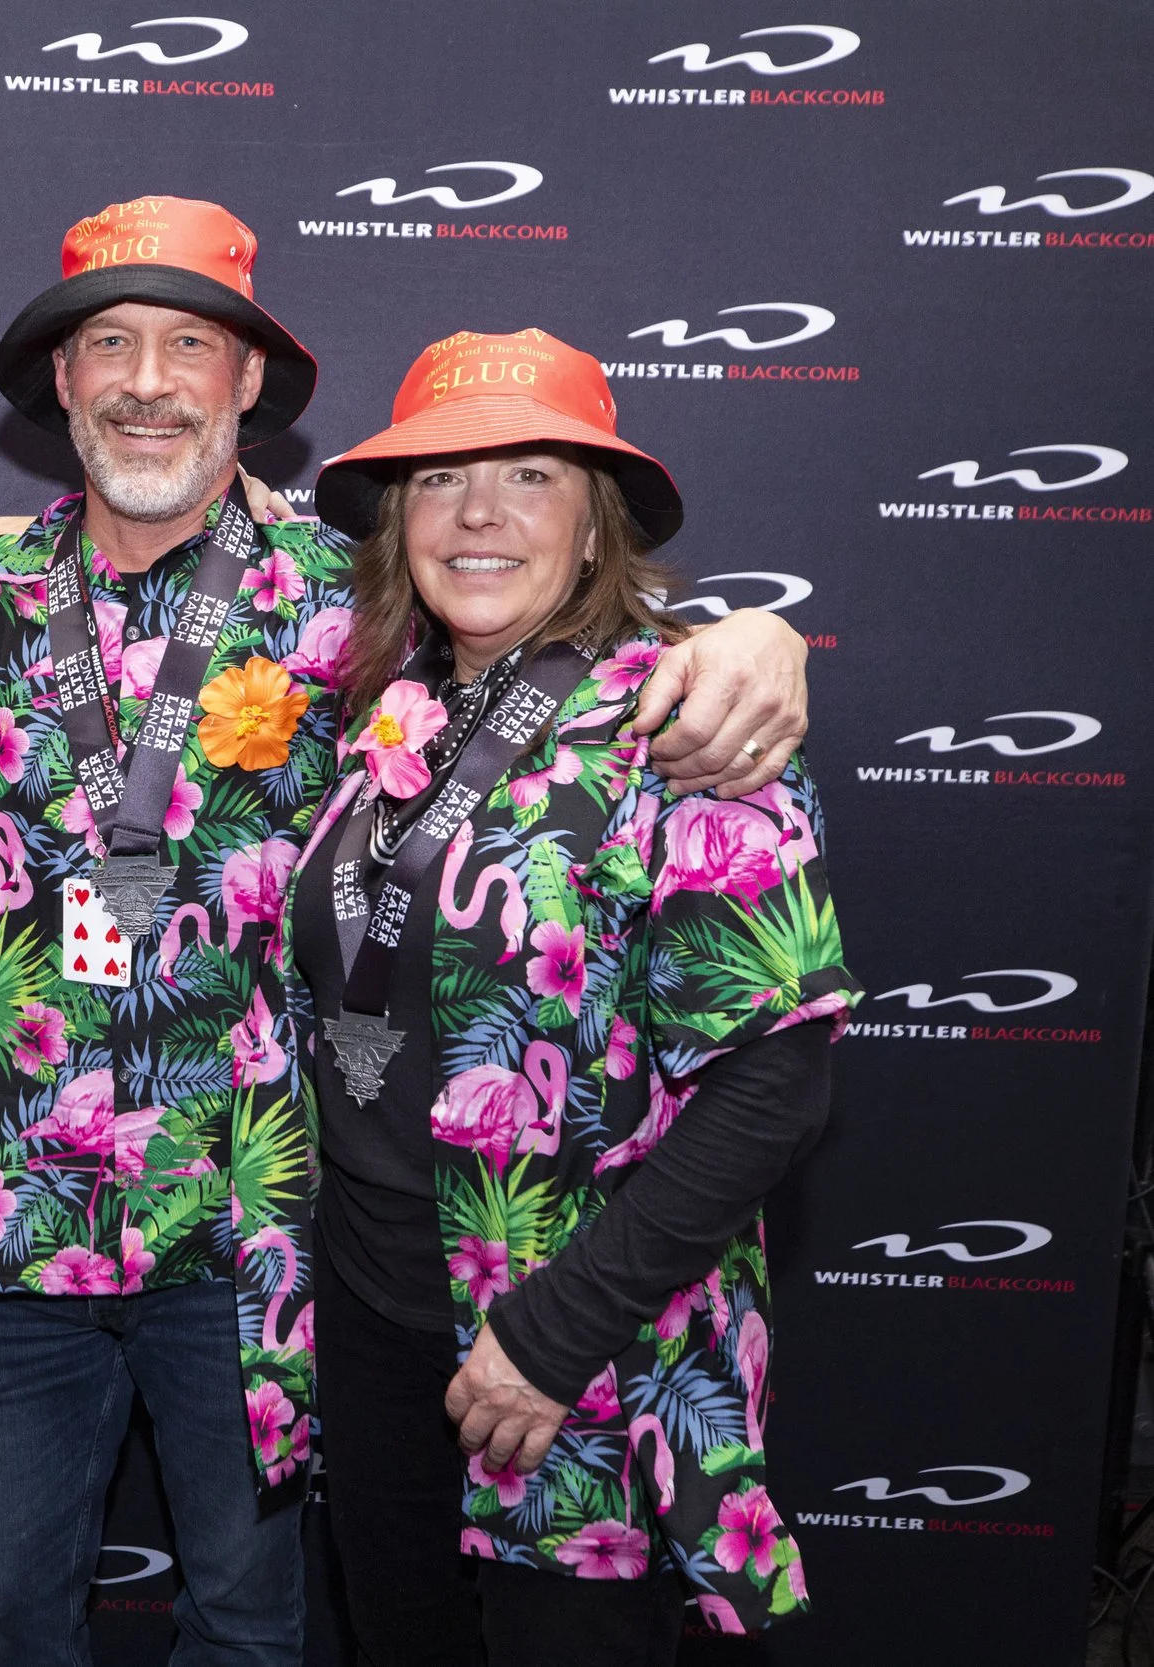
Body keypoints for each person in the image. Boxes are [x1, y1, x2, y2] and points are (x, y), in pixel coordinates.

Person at [0, 198, 815, 1667]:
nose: (148, 378)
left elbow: (566, 637)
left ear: (250, 382)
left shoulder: (353, 605)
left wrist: (748, 640)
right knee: (2, 1617)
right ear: (59, 384)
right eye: (110, 345)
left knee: (255, 1627)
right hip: (22, 1232)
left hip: (260, 1246)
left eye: (189, 343)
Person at [284, 328, 858, 1663]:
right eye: (437, 477)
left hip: (573, 1344)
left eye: (530, 474)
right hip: (374, 1325)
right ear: (398, 525)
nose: (477, 510)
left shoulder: (690, 726)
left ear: (599, 531)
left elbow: (775, 1087)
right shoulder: (383, 711)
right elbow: (149, 515)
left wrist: (550, 1337)